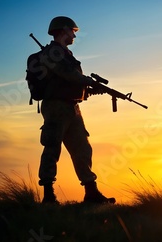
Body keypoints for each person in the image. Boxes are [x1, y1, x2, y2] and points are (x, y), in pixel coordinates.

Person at [37, 16, 115, 204]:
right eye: (73, 31)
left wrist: (90, 89)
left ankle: (91, 193)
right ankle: (48, 195)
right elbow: (68, 75)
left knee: (82, 149)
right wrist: (88, 81)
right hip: (56, 106)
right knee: (52, 147)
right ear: (64, 30)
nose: (74, 35)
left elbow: (71, 82)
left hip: (72, 107)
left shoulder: (67, 54)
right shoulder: (52, 53)